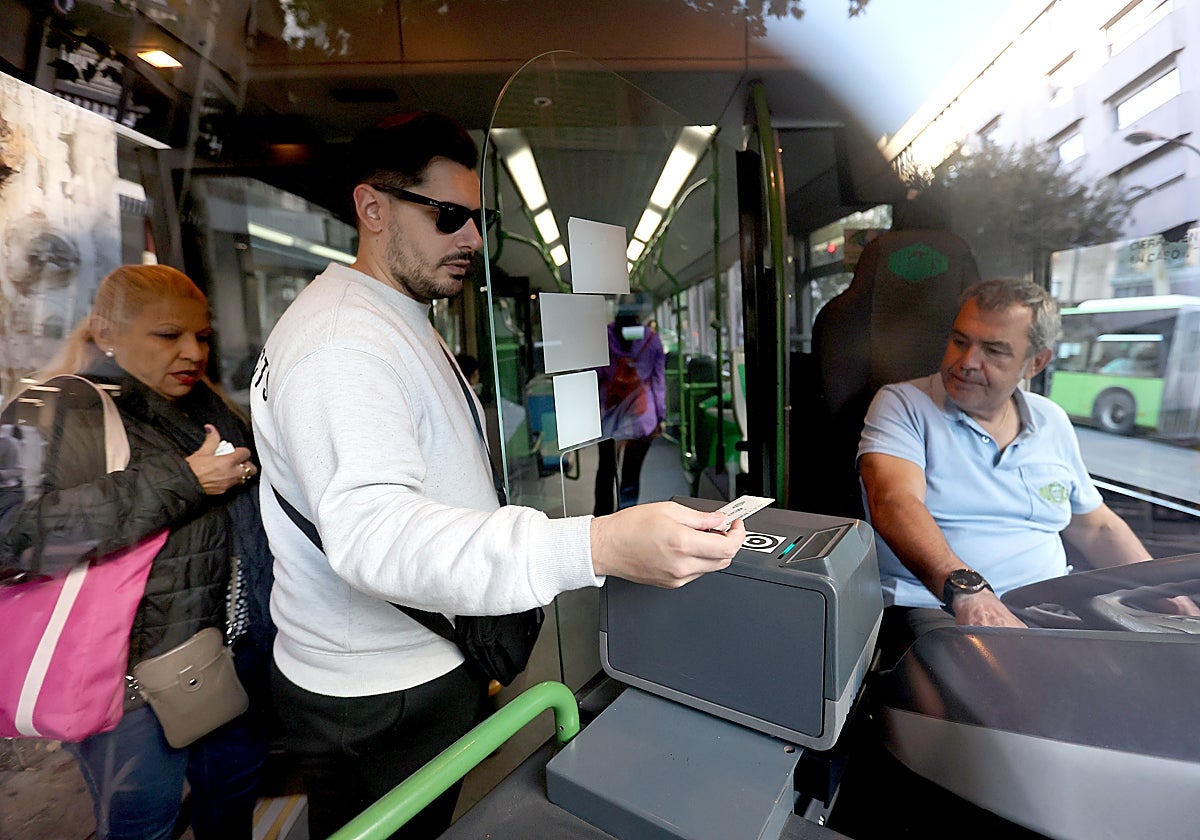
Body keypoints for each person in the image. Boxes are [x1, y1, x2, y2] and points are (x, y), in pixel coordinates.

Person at [250, 111, 745, 840]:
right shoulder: (341, 345)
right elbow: (374, 537)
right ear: (373, 208)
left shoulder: (392, 316)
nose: (473, 240)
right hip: (380, 690)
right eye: (449, 216)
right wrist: (595, 546)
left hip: (409, 660)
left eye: (476, 219)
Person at [0, 265, 275, 840]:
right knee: (141, 827)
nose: (191, 351)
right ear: (105, 332)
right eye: (168, 335)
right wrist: (185, 481)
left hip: (223, 663)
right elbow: (14, 533)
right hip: (128, 684)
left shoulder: (207, 408)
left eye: (202, 336)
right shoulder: (59, 408)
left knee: (230, 804)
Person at [857, 277, 1168, 654]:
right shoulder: (904, 405)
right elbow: (894, 501)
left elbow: (1097, 527)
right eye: (960, 341)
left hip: (1055, 606)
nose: (967, 362)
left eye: (994, 350)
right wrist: (969, 592)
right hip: (939, 609)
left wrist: (1163, 595)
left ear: (1036, 362)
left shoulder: (1050, 419)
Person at [594, 312, 667, 515]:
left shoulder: (602, 337)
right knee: (631, 476)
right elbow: (658, 382)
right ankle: (626, 517)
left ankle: (601, 519)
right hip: (643, 417)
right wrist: (661, 416)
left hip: (610, 418)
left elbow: (594, 377)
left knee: (606, 472)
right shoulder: (651, 339)